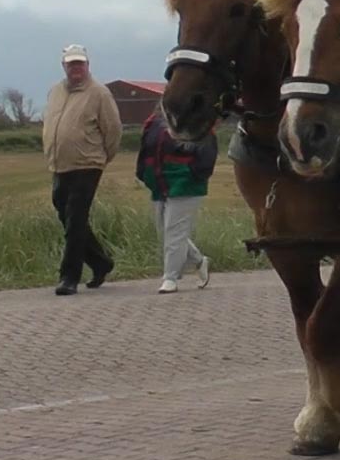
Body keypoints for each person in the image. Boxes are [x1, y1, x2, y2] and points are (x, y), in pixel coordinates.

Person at [42, 44, 122, 295]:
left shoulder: (100, 93)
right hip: (60, 164)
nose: (76, 68)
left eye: (80, 63)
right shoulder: (55, 91)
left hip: (87, 164)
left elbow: (113, 130)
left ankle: (69, 277)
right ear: (63, 66)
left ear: (88, 65)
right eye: (71, 64)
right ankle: (101, 262)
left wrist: (101, 157)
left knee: (76, 218)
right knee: (65, 216)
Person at [135, 108, 216, 293]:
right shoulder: (153, 122)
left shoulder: (198, 121)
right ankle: (198, 260)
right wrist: (142, 172)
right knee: (166, 231)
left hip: (185, 183)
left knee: (174, 231)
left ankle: (170, 278)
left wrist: (194, 174)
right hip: (159, 183)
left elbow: (207, 152)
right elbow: (145, 149)